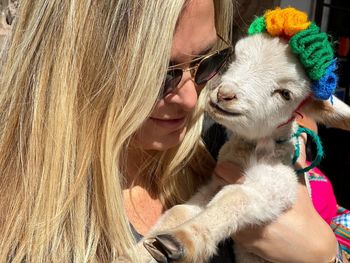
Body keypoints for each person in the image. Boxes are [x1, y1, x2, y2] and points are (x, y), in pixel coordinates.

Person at [0, 0, 347, 262]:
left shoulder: (213, 142)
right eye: (158, 73)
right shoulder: (21, 228)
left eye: (206, 61)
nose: (191, 97)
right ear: (73, 65)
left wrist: (324, 252)